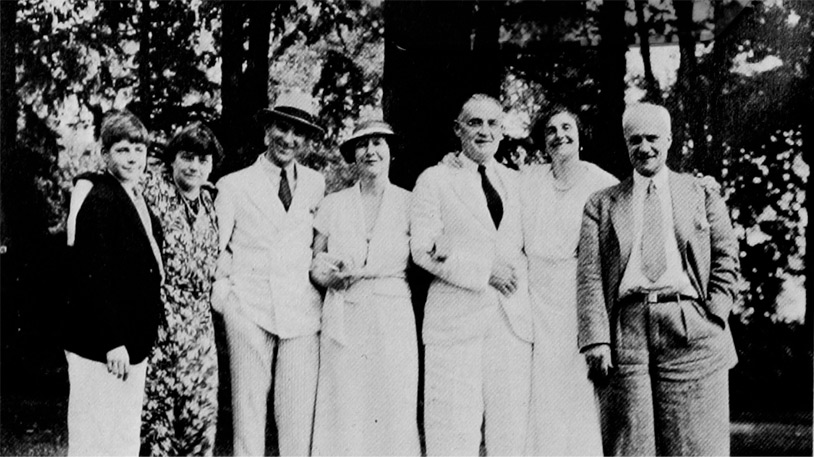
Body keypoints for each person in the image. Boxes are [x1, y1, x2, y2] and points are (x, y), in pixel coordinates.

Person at [577, 103, 740, 456]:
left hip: (690, 326)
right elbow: (589, 276)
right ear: (626, 143)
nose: (645, 147)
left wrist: (714, 314)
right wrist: (596, 341)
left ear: (669, 139)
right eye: (635, 140)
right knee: (629, 446)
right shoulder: (602, 204)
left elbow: (727, 259)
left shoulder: (701, 193)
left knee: (695, 445)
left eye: (652, 138)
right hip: (627, 333)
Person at [410, 94, 532, 456]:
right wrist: (484, 271)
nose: (484, 131)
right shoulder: (435, 179)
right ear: (458, 129)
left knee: (510, 434)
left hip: (510, 324)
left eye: (493, 123)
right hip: (456, 323)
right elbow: (423, 248)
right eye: (475, 123)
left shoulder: (518, 182)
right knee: (451, 432)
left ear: (502, 130)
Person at [212, 89, 326, 456]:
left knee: (296, 413)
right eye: (282, 127)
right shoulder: (233, 185)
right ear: (267, 131)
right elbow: (216, 251)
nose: (288, 139)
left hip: (301, 311)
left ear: (307, 142)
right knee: (248, 409)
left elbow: (316, 246)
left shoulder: (315, 184)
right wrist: (227, 298)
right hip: (249, 307)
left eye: (298, 133)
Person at [310, 120, 420, 456]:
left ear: (391, 152)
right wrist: (327, 277)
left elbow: (429, 251)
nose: (371, 151)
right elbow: (316, 262)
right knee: (344, 404)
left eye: (378, 143)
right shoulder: (334, 203)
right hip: (345, 314)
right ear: (353, 155)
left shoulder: (410, 202)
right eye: (362, 144)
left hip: (393, 314)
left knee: (392, 404)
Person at [63, 110, 164, 456]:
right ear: (105, 155)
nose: (133, 157)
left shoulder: (134, 198)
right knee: (94, 439)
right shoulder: (100, 200)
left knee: (122, 438)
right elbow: (91, 277)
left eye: (139, 149)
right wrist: (112, 341)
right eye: (123, 149)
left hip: (131, 343)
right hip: (102, 347)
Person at [521, 105, 618, 455]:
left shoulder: (603, 183)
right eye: (551, 129)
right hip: (533, 296)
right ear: (542, 141)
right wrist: (453, 160)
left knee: (576, 389)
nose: (559, 134)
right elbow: (489, 178)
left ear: (580, 135)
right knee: (539, 390)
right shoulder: (529, 178)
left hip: (577, 296)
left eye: (567, 127)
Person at [138, 122, 223, 456]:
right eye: (186, 157)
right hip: (159, 322)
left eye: (203, 159)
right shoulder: (151, 192)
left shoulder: (210, 203)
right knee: (157, 421)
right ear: (171, 160)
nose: (194, 166)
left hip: (199, 330)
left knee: (199, 420)